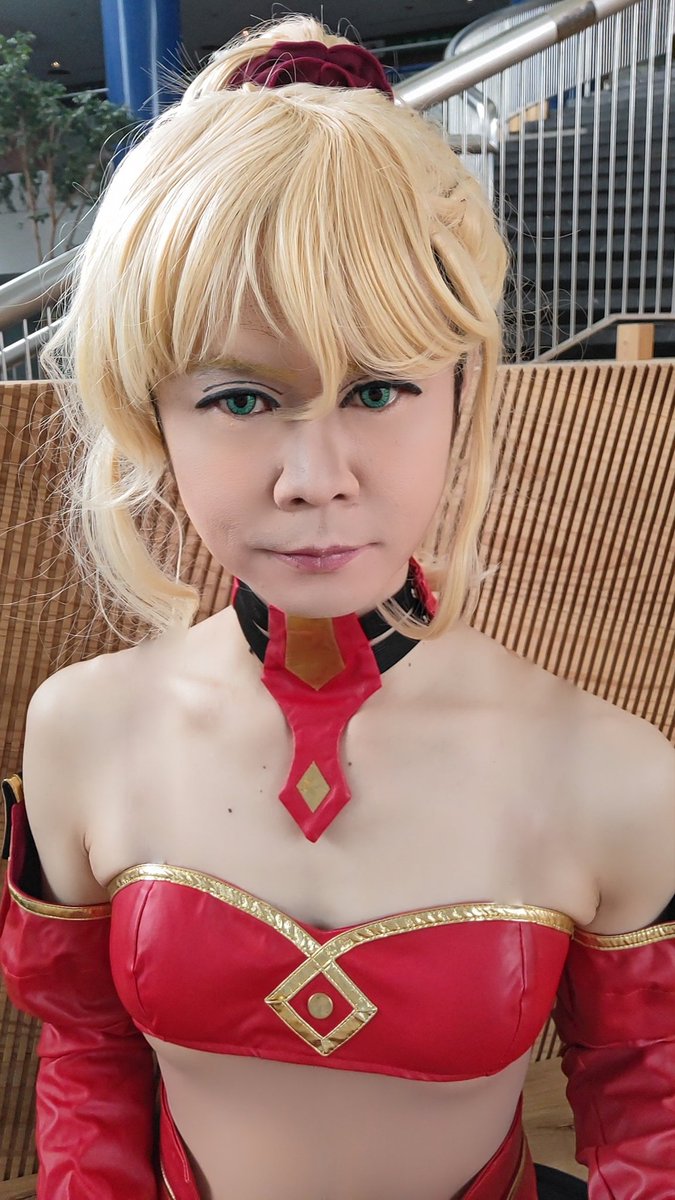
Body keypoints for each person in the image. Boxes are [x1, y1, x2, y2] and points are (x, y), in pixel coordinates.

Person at [0, 13, 673, 1200]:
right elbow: (90, 1059)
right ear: (154, 415)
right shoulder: (80, 731)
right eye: (240, 398)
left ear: (462, 393)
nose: (314, 479)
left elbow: (652, 1118)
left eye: (377, 389)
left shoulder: (617, 776)